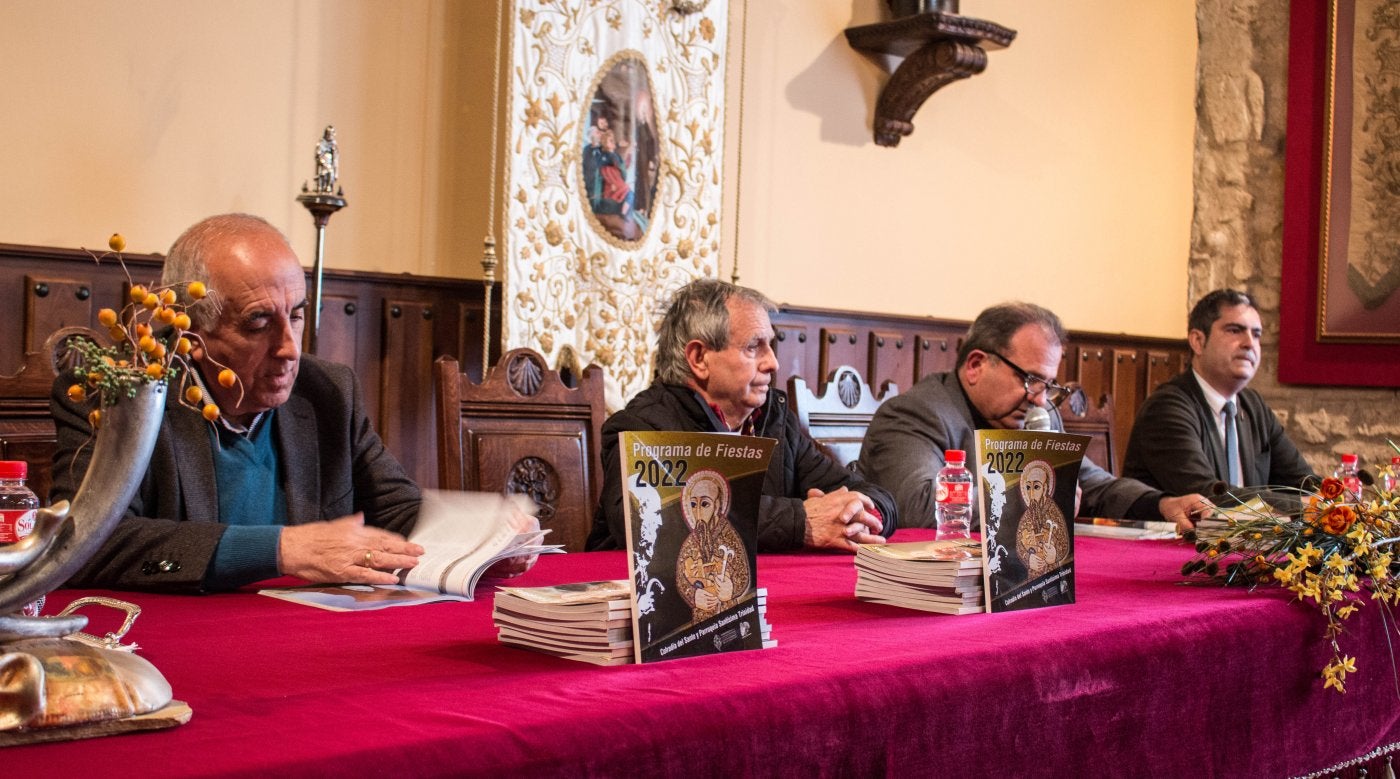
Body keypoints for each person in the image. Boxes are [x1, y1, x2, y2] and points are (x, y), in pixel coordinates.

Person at [50, 213, 536, 592]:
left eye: (297, 316)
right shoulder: (119, 392)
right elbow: (91, 543)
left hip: (307, 637)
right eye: (259, 323)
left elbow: (398, 508)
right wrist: (280, 549)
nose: (289, 348)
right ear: (190, 333)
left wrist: (485, 540)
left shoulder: (327, 392)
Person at [587, 278, 897, 553]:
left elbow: (868, 491)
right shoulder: (643, 425)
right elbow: (651, 517)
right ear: (699, 358)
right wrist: (800, 521)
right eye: (754, 347)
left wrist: (861, 515)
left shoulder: (773, 420)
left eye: (770, 346)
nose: (773, 363)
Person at [856, 302, 1213, 534]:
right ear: (976, 365)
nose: (1039, 399)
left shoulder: (1037, 417)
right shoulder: (917, 414)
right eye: (1029, 380)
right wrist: (1034, 499)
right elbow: (916, 506)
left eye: (1047, 384)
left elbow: (1094, 485)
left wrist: (1164, 504)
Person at [1122, 288, 1316, 502]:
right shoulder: (1166, 409)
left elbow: (1303, 483)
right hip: (1177, 534)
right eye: (1234, 330)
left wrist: (1335, 500)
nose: (1249, 343)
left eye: (1256, 334)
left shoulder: (1253, 406)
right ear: (1197, 341)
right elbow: (1209, 495)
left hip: (1243, 535)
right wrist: (1305, 506)